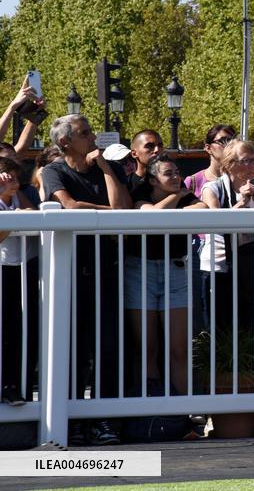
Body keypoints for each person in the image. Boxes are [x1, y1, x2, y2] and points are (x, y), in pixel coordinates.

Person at [41, 114, 131, 446]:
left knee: (108, 345)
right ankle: (74, 417)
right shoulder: (52, 171)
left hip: (107, 268)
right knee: (74, 347)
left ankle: (103, 419)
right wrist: (109, 212)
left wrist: (107, 169)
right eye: (84, 133)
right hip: (70, 273)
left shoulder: (108, 167)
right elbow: (70, 206)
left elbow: (122, 206)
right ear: (64, 142)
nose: (93, 137)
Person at [129, 154, 205, 397]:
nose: (176, 177)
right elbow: (150, 215)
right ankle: (150, 410)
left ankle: (185, 411)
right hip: (140, 271)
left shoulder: (187, 195)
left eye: (177, 173)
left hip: (176, 270)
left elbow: (204, 208)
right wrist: (176, 197)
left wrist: (179, 199)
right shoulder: (141, 190)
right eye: (168, 174)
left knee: (179, 349)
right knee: (146, 348)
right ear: (153, 180)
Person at [199, 140, 254, 336]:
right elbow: (216, 223)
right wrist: (241, 203)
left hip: (252, 265)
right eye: (246, 161)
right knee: (221, 326)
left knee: (253, 322)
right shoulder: (212, 189)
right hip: (220, 268)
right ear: (228, 165)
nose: (252, 166)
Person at [0, 156, 38, 407]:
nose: (14, 181)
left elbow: (33, 215)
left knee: (19, 330)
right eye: (8, 176)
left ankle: (14, 386)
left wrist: (15, 197)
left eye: (16, 177)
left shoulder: (17, 198)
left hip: (23, 270)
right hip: (3, 269)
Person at [185, 124, 237, 200]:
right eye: (222, 141)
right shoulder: (193, 182)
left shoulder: (242, 179)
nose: (228, 145)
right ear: (208, 148)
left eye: (232, 141)